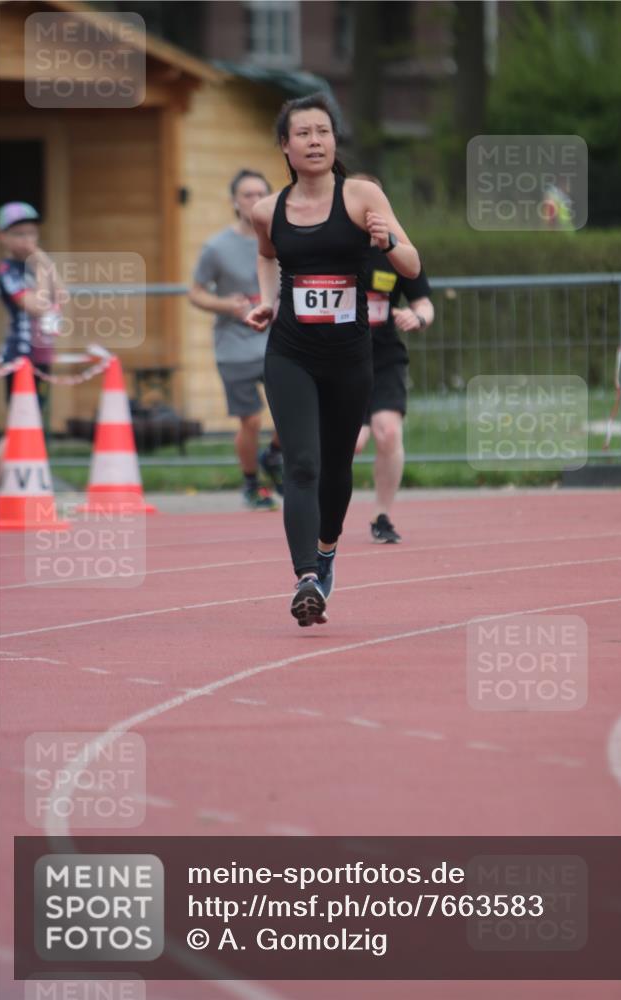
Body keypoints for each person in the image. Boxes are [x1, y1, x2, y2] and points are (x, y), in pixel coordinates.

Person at [246, 93, 420, 627]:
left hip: (349, 356)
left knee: (337, 467)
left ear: (334, 140)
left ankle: (325, 553)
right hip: (291, 353)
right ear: (285, 146)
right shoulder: (267, 210)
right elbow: (267, 255)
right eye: (303, 133)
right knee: (301, 463)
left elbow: (411, 266)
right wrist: (268, 301)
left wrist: (386, 241)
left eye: (323, 131)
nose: (315, 141)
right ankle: (305, 578)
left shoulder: (361, 195)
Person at [189, 169, 283, 511]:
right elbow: (196, 292)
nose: (255, 200)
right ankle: (251, 483)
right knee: (252, 419)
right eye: (247, 194)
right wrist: (225, 305)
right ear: (234, 202)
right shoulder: (217, 247)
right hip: (235, 344)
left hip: (277, 341)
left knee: (294, 411)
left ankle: (274, 455)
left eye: (261, 194)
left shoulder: (283, 239)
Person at [352, 176, 434, 543]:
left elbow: (424, 303)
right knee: (352, 443)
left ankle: (382, 515)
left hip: (384, 356)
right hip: (339, 360)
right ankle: (320, 510)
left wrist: (418, 318)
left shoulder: (398, 251)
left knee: (388, 432)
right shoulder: (329, 250)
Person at [0, 202, 63, 486]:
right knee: (20, 424)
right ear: (3, 237)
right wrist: (43, 271)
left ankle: (15, 484)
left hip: (41, 356)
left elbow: (61, 295)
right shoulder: (7, 270)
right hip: (21, 357)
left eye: (32, 233)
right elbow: (37, 306)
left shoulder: (35, 268)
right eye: (20, 234)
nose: (28, 240)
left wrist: (44, 263)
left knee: (32, 424)